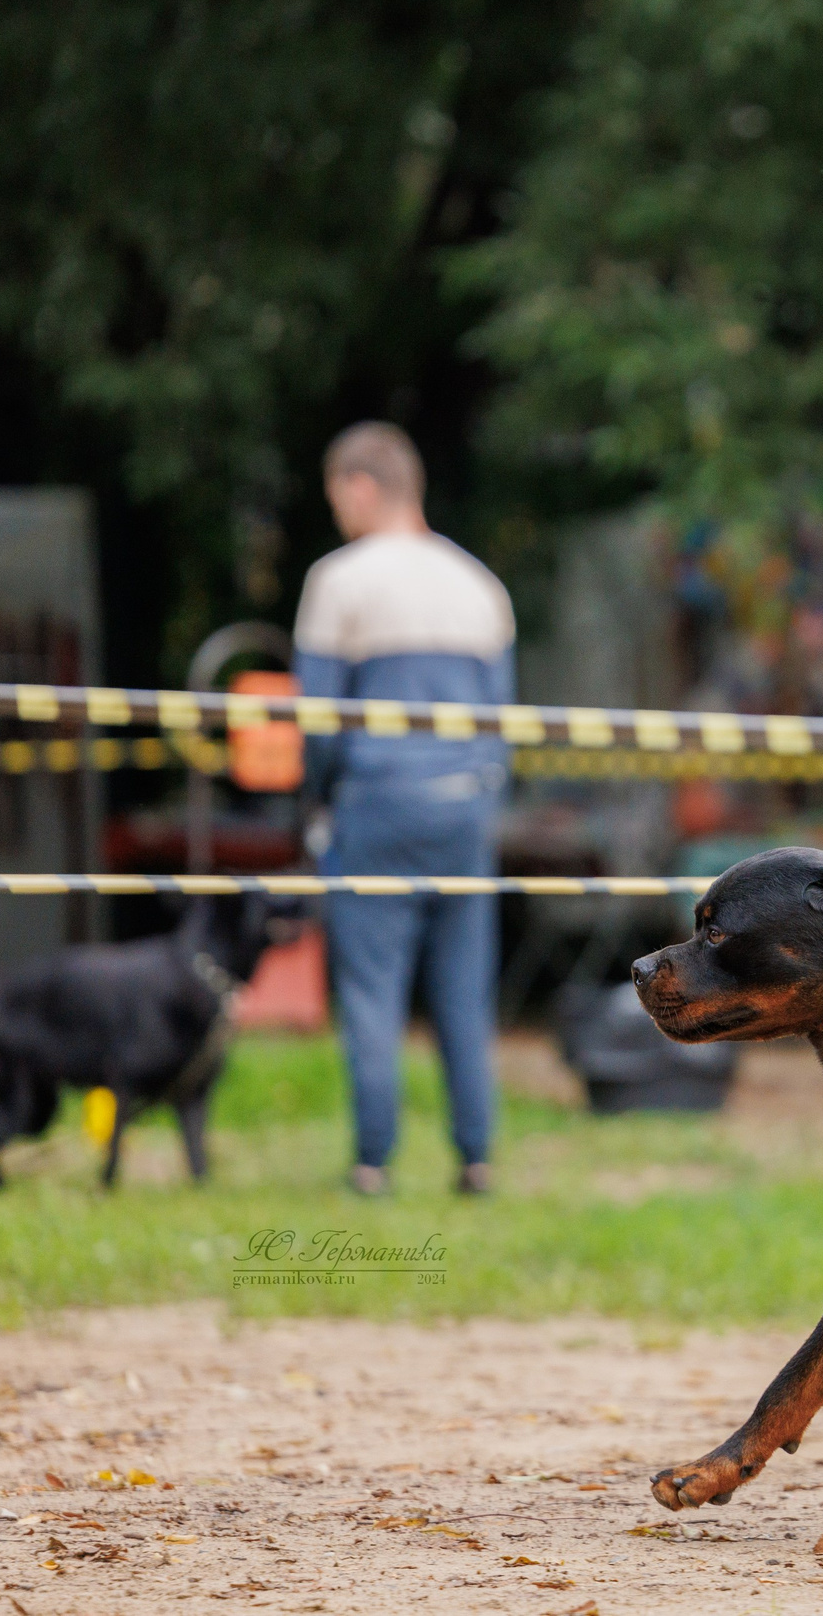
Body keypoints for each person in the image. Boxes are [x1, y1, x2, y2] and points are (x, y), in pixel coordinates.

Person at [292, 422, 515, 1197]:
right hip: (463, 813)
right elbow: (502, 726)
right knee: (462, 989)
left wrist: (316, 803)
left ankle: (373, 1163)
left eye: (335, 497)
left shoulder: (338, 580)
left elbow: (318, 720)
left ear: (360, 486)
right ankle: (476, 1158)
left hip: (376, 807)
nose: (336, 513)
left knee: (371, 990)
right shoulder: (479, 582)